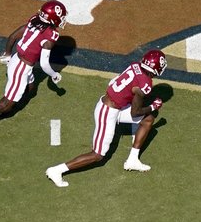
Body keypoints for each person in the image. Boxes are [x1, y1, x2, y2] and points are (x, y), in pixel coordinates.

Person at [45, 49, 169, 187]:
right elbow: (135, 112)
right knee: (98, 155)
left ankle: (132, 160)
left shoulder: (135, 65)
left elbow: (114, 83)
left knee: (148, 119)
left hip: (114, 106)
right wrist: (153, 106)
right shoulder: (144, 84)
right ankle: (56, 170)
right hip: (108, 112)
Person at [0, 0, 68, 137]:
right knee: (5, 105)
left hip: (17, 59)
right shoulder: (50, 36)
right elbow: (44, 64)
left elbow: (13, 36)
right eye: (61, 17)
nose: (63, 19)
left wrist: (8, 53)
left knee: (31, 87)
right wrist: (54, 75)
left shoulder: (35, 20)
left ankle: (13, 100)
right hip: (21, 68)